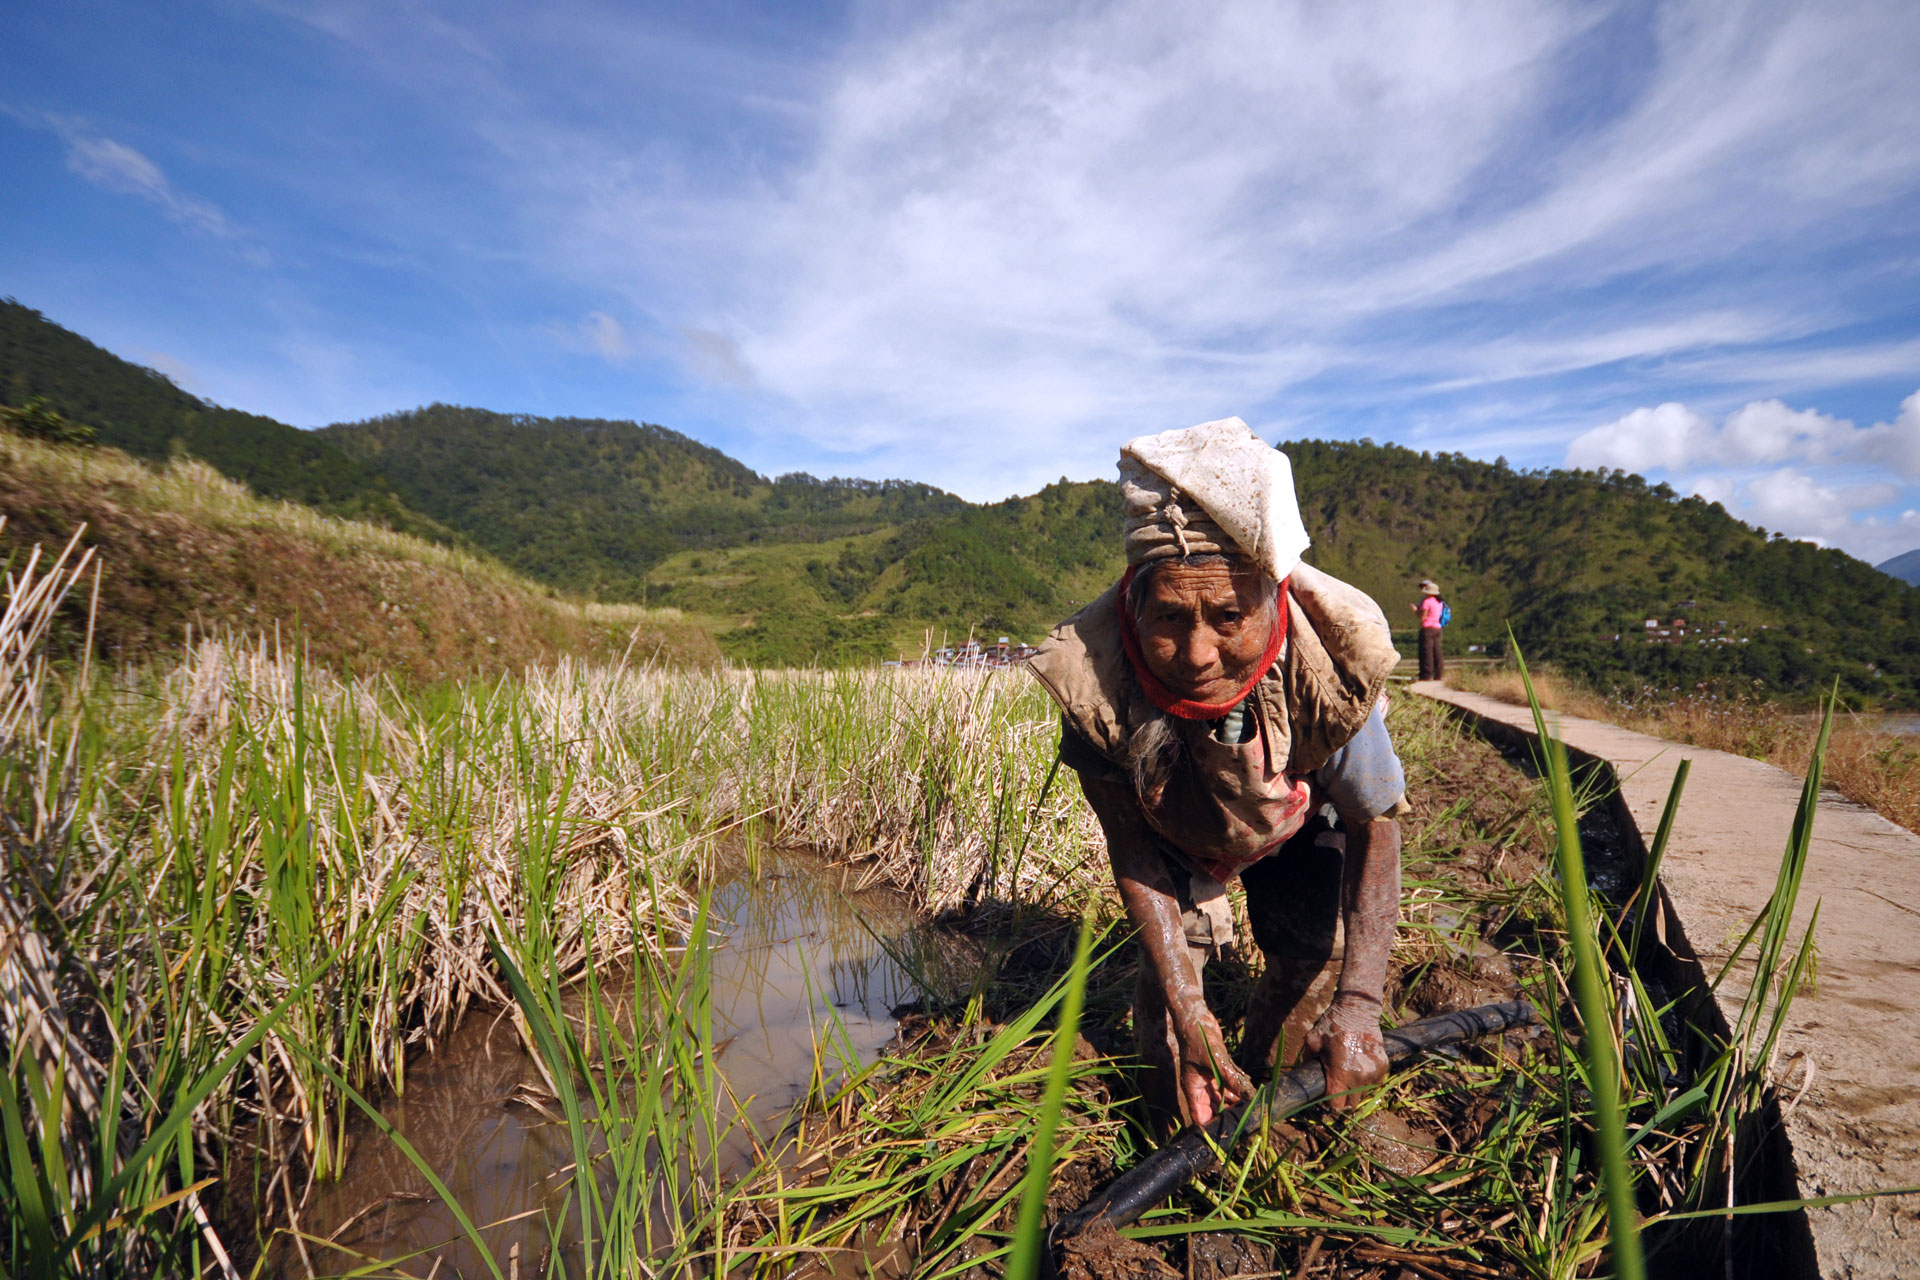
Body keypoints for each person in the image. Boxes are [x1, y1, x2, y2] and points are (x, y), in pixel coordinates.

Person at [1026, 418, 1409, 1132]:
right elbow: (1132, 848)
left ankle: (1267, 1096)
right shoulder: (1097, 682)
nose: (1197, 654)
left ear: (1273, 600)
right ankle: (1170, 1132)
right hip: (1178, 833)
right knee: (1167, 1031)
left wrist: (1359, 1002)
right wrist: (1184, 997)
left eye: (1228, 614)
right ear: (1136, 603)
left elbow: (1373, 825)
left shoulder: (1324, 672)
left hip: (1293, 823)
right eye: (1170, 615)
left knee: (1302, 967)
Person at [1412, 579, 1445, 682]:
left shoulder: (1426, 602)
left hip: (1428, 628)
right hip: (1437, 628)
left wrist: (1416, 610)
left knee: (1427, 652)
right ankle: (1438, 673)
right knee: (1437, 651)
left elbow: (1422, 617)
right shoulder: (1439, 602)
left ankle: (1426, 675)